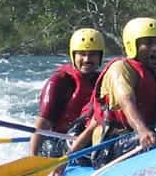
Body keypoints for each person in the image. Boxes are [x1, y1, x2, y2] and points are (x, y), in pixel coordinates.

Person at [65, 17, 156, 170]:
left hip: (139, 138)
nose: (155, 48)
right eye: (148, 43)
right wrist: (142, 130)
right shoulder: (120, 69)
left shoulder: (155, 76)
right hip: (108, 150)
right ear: (132, 44)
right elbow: (126, 102)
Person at [29, 28, 104, 156]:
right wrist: (32, 157)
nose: (87, 59)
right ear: (73, 55)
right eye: (82, 54)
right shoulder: (59, 82)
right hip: (56, 142)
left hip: (85, 137)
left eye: (93, 54)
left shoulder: (103, 80)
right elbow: (43, 124)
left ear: (100, 57)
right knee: (77, 135)